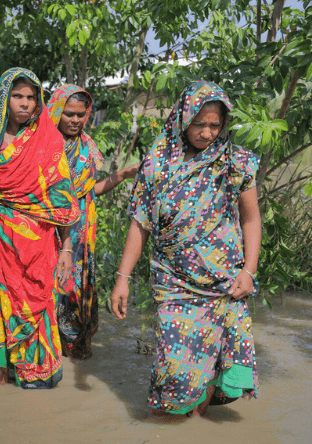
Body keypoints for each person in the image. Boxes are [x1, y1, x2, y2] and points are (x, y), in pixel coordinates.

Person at [110, 81, 261, 417]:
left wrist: (248, 271)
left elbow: (251, 219)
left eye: (214, 125)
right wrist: (122, 278)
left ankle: (195, 424)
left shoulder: (235, 162)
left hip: (222, 283)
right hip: (173, 282)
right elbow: (140, 223)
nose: (206, 133)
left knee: (209, 366)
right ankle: (171, 419)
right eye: (198, 123)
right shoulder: (157, 163)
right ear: (181, 117)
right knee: (174, 366)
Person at [0, 68, 80, 388]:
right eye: (17, 96)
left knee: (37, 310)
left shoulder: (49, 139)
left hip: (40, 247)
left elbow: (63, 199)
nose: (25, 103)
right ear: (4, 98)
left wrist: (66, 248)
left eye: (30, 97)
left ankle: (33, 380)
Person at [47, 84, 139, 359]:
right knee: (50, 288)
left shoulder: (87, 146)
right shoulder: (42, 146)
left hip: (80, 235)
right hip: (48, 231)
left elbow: (89, 190)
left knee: (77, 288)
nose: (75, 120)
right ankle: (46, 350)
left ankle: (73, 348)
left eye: (80, 114)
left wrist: (121, 175)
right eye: (69, 114)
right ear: (55, 111)